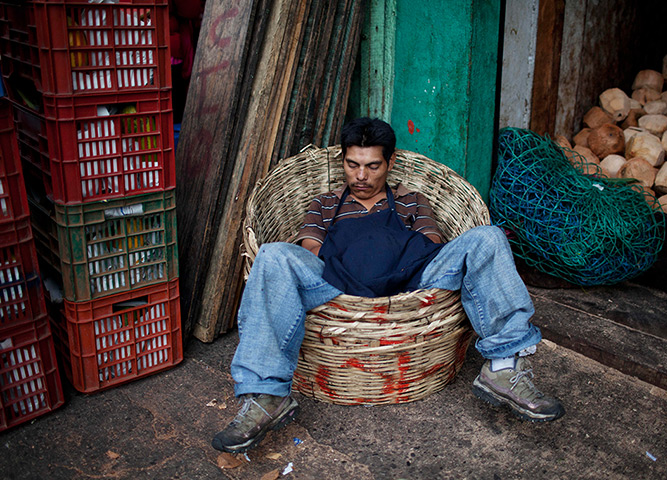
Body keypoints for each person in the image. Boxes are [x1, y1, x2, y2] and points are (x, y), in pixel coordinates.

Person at [212, 117, 564, 454]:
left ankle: (503, 368)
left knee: (488, 238)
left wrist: (389, 262)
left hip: (409, 280)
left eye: (373, 166)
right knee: (273, 256)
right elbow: (311, 251)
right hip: (338, 281)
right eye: (352, 165)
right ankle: (266, 395)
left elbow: (430, 244)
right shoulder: (324, 203)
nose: (361, 176)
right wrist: (360, 269)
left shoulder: (411, 199)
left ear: (390, 162)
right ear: (342, 160)